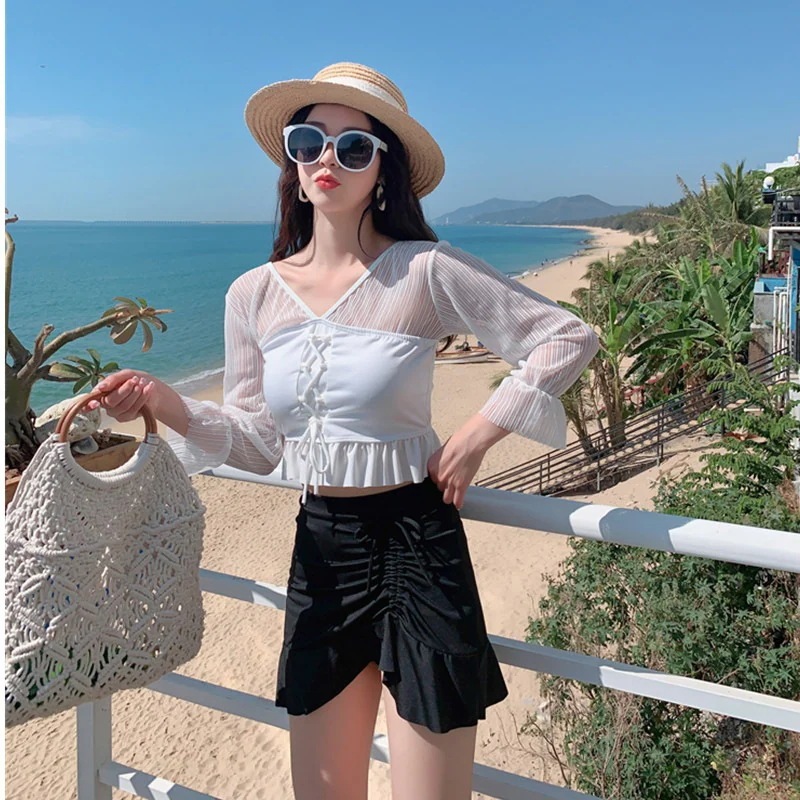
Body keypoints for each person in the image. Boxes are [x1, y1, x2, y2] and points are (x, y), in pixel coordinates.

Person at [89, 62, 599, 800]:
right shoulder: (253, 293)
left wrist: (479, 433)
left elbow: (565, 336)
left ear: (382, 170)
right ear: (292, 165)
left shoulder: (423, 271)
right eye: (309, 141)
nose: (327, 158)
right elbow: (260, 442)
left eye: (353, 146)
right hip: (323, 547)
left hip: (420, 542)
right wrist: (164, 401)